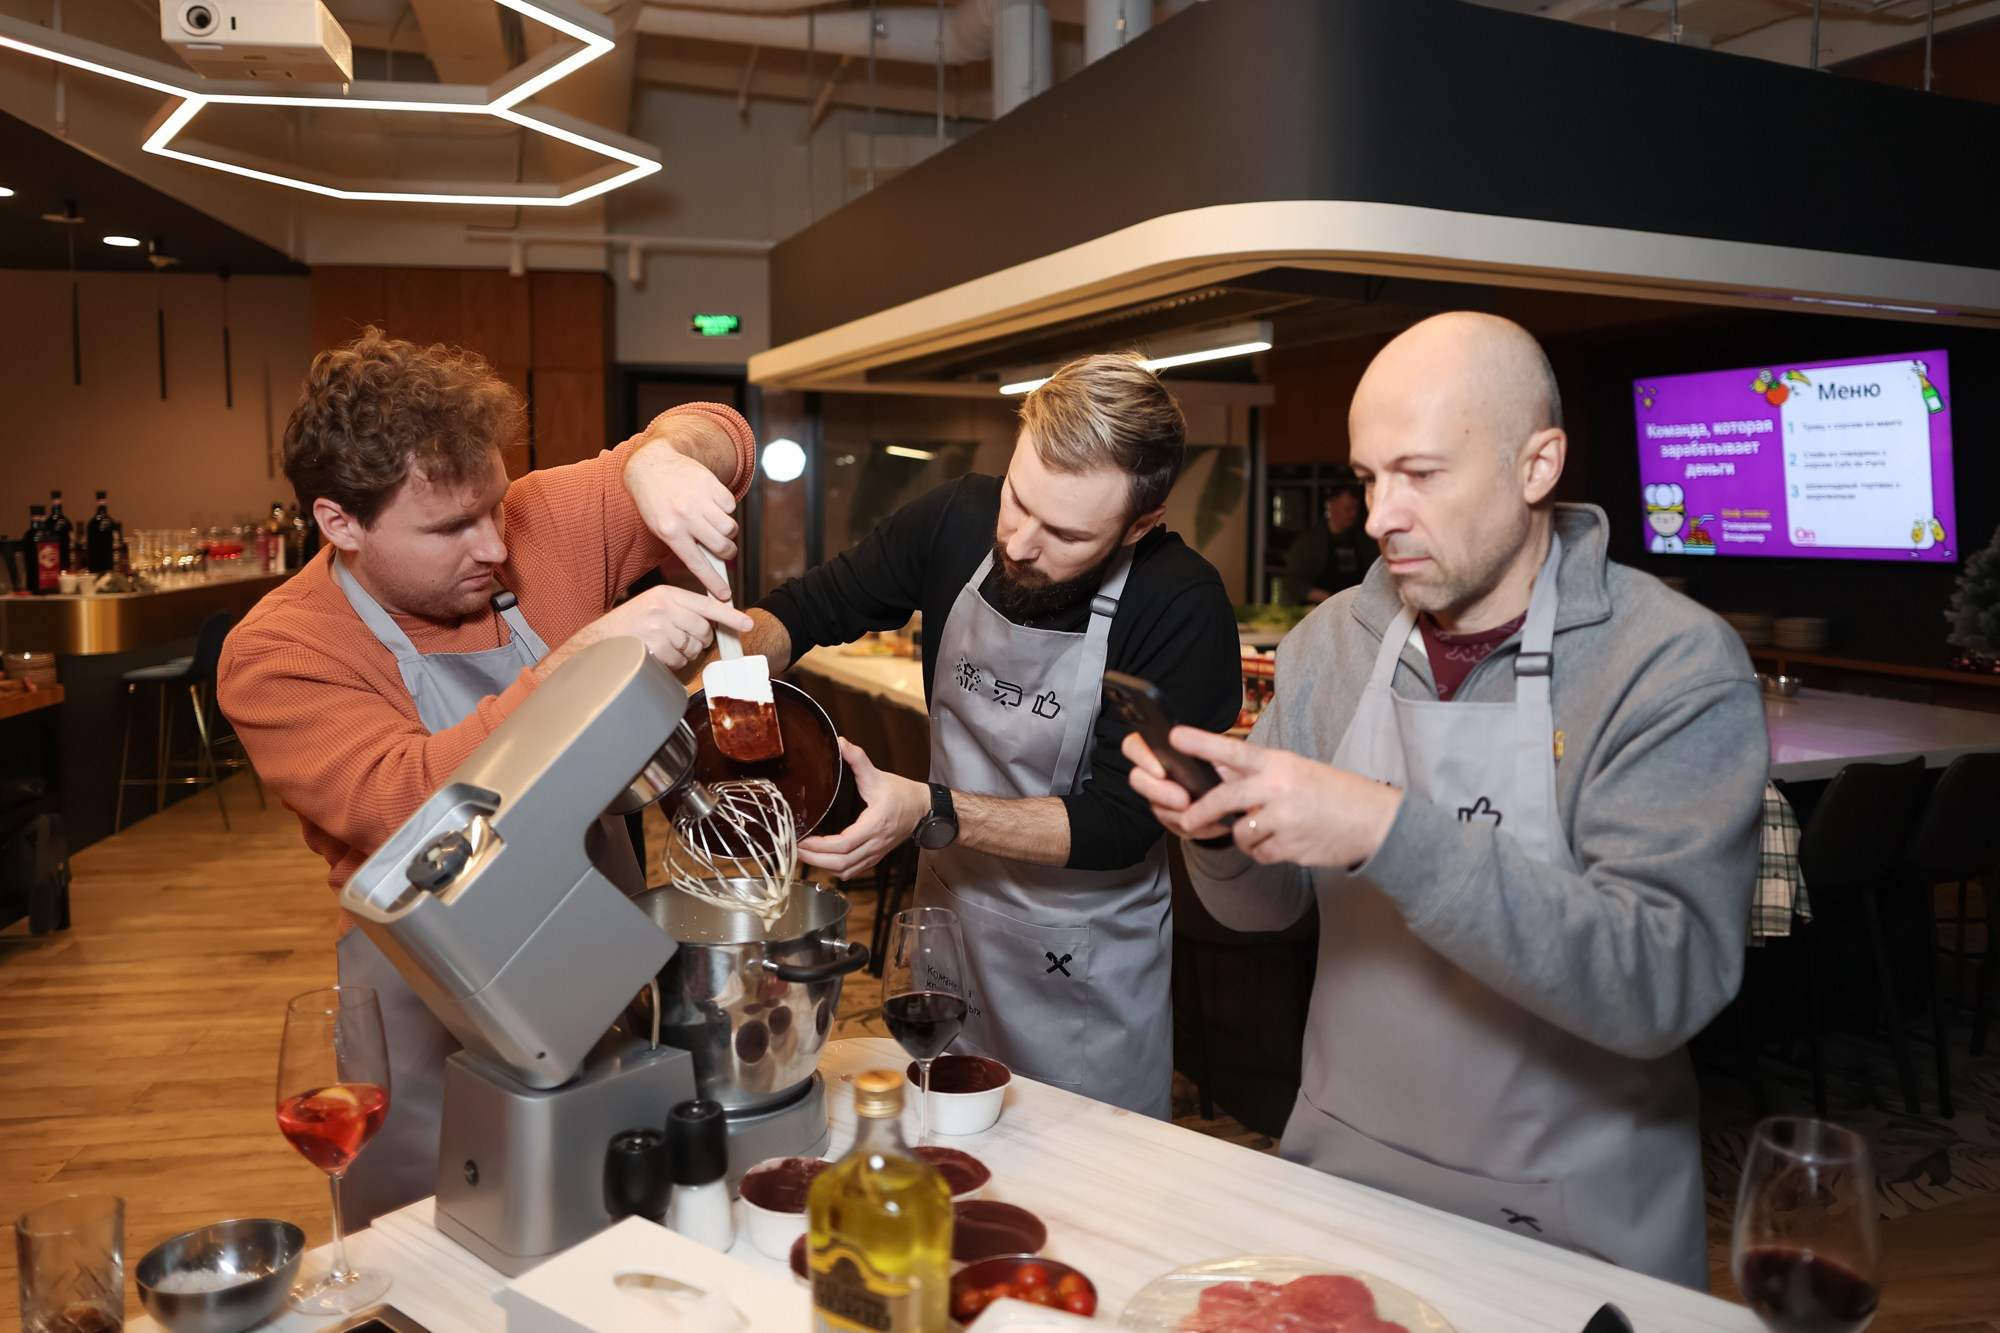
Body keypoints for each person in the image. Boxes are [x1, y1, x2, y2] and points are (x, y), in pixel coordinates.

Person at [1122, 312, 1765, 1288]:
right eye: (1368, 477)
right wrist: (1216, 835)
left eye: (1419, 474)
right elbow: (1264, 910)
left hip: (1570, 1212)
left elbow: (1658, 986)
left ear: (1536, 465)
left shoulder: (1668, 662)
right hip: (1345, 1169)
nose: (1380, 515)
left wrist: (1383, 828)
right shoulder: (1332, 642)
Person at [218, 329, 757, 1227]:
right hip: (430, 1004)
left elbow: (724, 434)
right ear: (340, 523)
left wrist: (663, 457)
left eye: (495, 506)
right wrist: (577, 664)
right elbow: (410, 800)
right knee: (443, 1247)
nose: (495, 546)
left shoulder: (539, 520)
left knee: (616, 1221)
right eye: (449, 529)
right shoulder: (279, 652)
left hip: (601, 955)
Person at [735, 354, 1242, 1117]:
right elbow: (806, 608)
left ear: (1141, 523)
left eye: (1065, 532)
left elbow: (1120, 821)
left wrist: (929, 809)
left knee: (1082, 1165)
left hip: (1085, 955)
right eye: (1018, 499)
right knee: (947, 1134)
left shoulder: (1181, 603)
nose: (1021, 543)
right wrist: (729, 683)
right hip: (955, 917)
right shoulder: (956, 518)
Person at [1281, 474, 1376, 604]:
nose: (1353, 514)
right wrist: (1326, 599)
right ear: (1332, 506)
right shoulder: (1311, 542)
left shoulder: (1362, 540)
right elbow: (1293, 583)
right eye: (1347, 509)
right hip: (1320, 609)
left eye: (1355, 508)